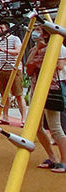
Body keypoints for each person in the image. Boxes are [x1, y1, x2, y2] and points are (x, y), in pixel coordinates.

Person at [26, 31, 66, 172]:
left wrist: (39, 62)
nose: (38, 33)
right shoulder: (34, 50)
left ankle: (64, 161)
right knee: (35, 126)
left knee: (55, 127)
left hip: (51, 89)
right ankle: (52, 157)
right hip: (36, 89)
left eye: (41, 31)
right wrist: (36, 50)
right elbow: (29, 68)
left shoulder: (57, 47)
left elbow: (59, 66)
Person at [0, 21, 25, 125]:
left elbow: (18, 52)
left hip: (14, 69)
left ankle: (23, 119)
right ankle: (5, 117)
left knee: (18, 94)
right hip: (2, 69)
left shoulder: (15, 39)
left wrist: (4, 50)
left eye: (1, 28)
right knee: (4, 95)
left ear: (7, 29)